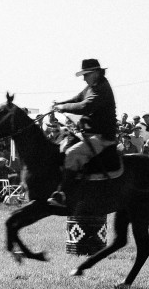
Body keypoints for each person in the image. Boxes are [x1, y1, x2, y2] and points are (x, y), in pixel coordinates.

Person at [48, 58, 119, 208]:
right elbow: (77, 99)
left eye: (86, 75)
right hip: (88, 134)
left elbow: (85, 106)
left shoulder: (102, 89)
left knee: (72, 153)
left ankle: (63, 194)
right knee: (61, 148)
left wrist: (64, 107)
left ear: (95, 73)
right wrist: (60, 105)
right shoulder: (92, 87)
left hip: (101, 137)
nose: (84, 78)